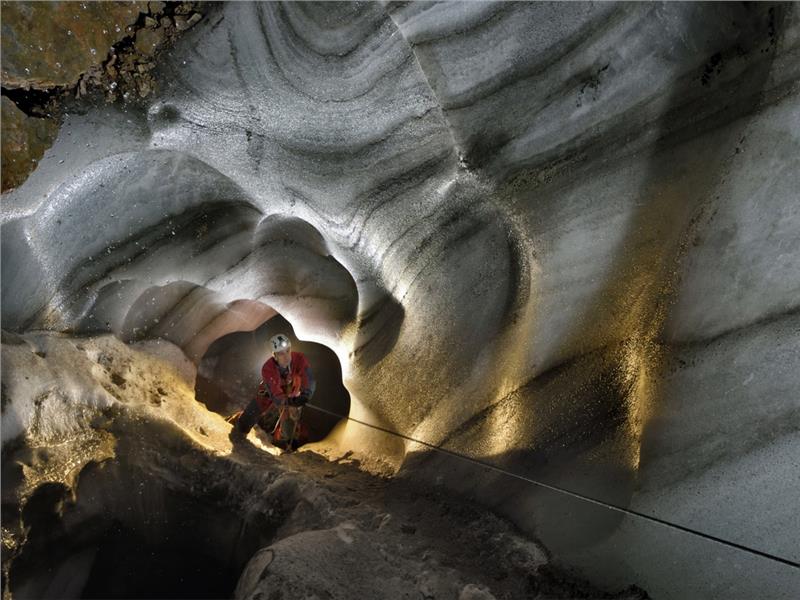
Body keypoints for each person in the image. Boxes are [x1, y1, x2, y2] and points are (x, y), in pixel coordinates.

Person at [232, 334, 315, 450]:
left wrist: (306, 394)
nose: (286, 356)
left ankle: (290, 445)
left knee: (290, 417)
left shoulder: (299, 359)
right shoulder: (268, 368)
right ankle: (241, 429)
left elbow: (308, 378)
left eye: (288, 351)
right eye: (281, 353)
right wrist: (285, 400)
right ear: (274, 356)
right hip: (268, 395)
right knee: (255, 410)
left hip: (291, 391)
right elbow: (275, 392)